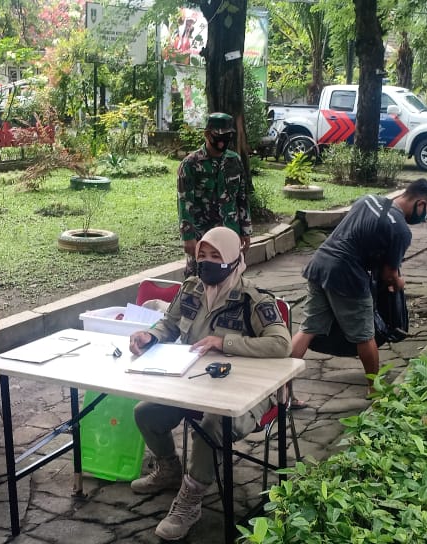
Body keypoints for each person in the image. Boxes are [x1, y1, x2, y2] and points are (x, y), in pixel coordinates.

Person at [127, 227, 291, 540]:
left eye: (216, 256)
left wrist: (224, 342)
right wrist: (150, 336)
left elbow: (281, 345)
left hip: (250, 392)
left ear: (233, 259)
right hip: (195, 380)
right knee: (145, 413)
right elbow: (170, 324)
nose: (207, 262)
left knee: (211, 425)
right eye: (202, 255)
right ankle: (170, 469)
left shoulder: (251, 299)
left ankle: (191, 498)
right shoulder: (190, 288)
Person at [289, 179, 427, 392]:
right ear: (420, 203)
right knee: (365, 335)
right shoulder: (400, 230)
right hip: (347, 277)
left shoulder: (368, 199)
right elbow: (389, 273)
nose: (424, 217)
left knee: (308, 328)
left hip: (319, 264)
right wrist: (399, 282)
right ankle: (375, 390)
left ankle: (282, 392)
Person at [177, 112, 252, 277]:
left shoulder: (235, 161)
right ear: (206, 134)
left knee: (232, 279)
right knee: (197, 282)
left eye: (227, 136)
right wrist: (188, 237)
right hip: (202, 237)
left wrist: (246, 231)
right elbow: (184, 202)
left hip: (230, 232)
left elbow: (242, 198)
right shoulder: (190, 164)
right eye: (218, 136)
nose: (222, 141)